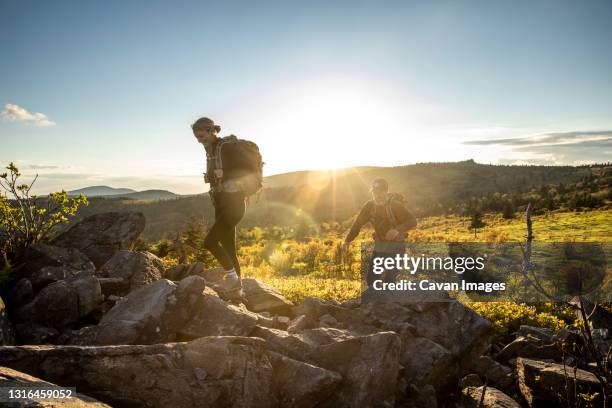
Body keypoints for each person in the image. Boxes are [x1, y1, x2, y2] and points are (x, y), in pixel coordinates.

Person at [192, 117, 250, 296]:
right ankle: (238, 291)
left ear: (211, 131)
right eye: (196, 137)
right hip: (220, 204)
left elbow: (246, 169)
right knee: (229, 249)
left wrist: (225, 174)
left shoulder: (226, 147)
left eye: (201, 135)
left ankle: (232, 278)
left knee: (209, 242)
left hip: (234, 204)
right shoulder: (211, 150)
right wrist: (211, 177)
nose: (199, 140)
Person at [342, 178, 417, 288]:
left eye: (380, 192)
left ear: (386, 191)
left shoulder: (395, 205)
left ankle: (390, 304)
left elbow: (413, 221)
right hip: (380, 247)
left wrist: (397, 230)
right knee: (371, 280)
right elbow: (357, 224)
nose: (377, 195)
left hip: (396, 247)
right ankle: (376, 304)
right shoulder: (369, 207)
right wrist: (347, 240)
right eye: (375, 192)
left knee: (389, 281)